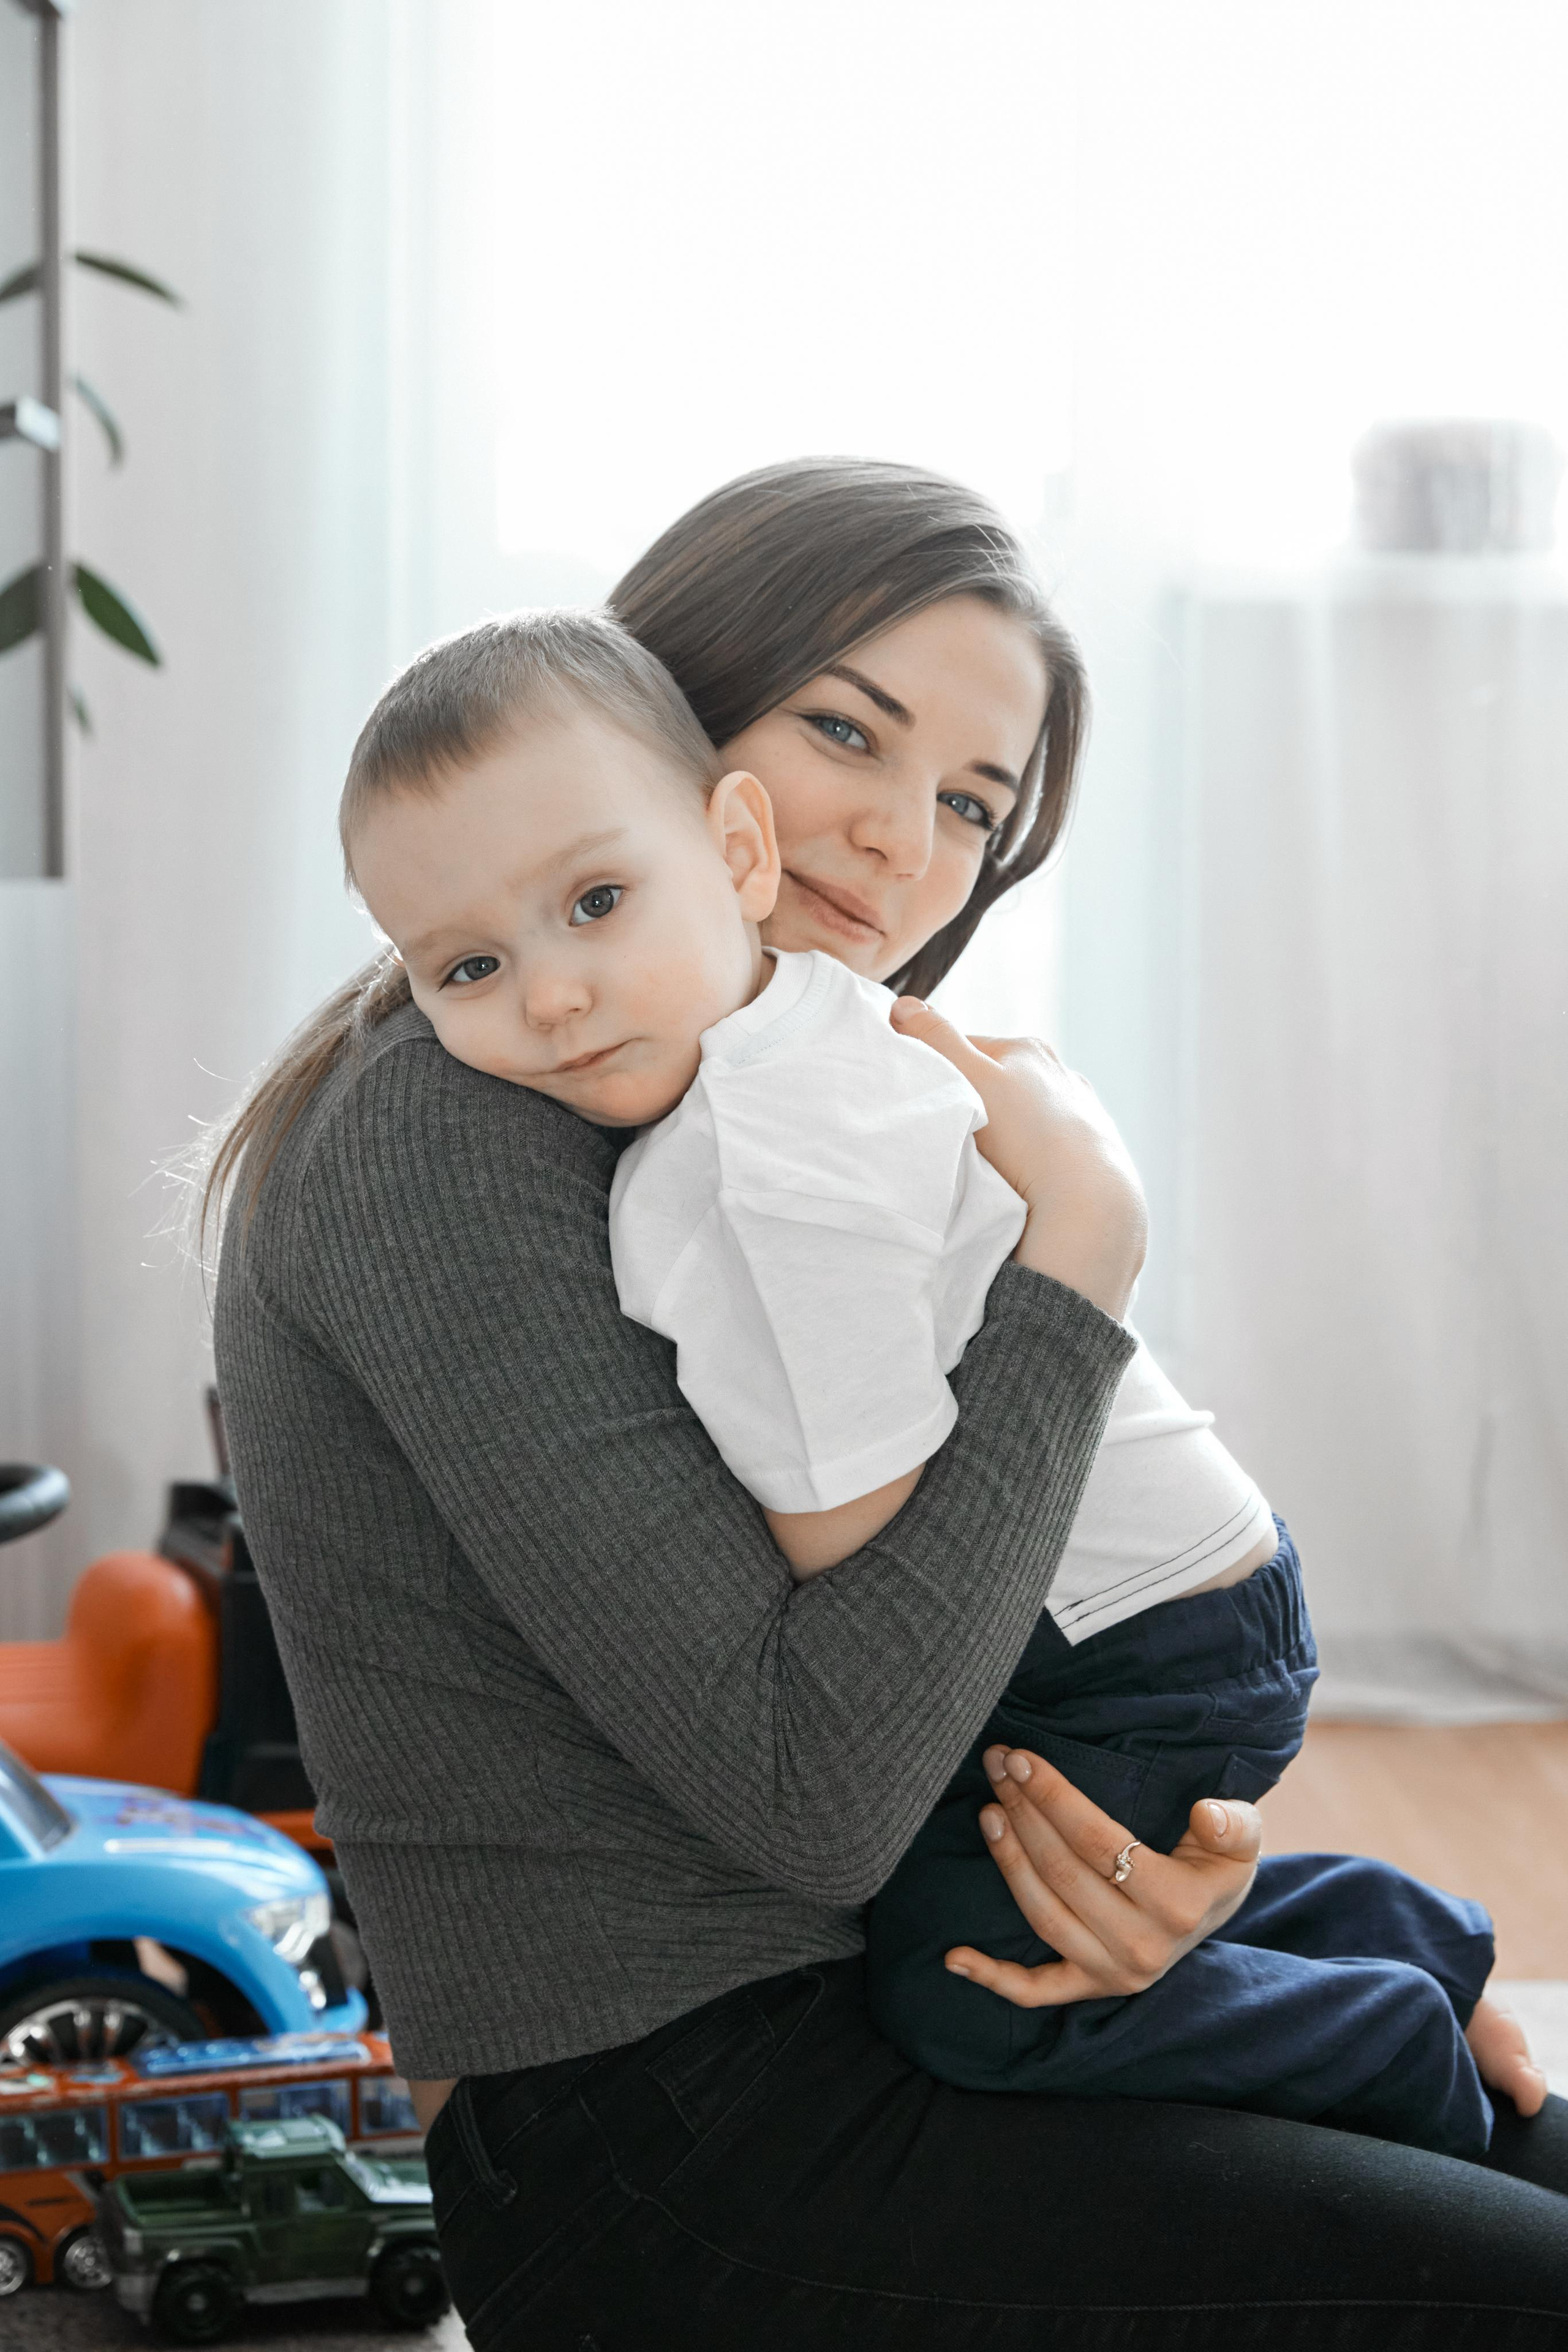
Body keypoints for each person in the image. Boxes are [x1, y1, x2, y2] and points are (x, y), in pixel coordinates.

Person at [209, 460, 1568, 2347]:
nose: (896, 844)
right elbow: (820, 1786)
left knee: (1530, 2149)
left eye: (971, 812)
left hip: (862, 2005)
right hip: (673, 2147)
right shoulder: (458, 1128)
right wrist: (1082, 1249)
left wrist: (1190, 1920)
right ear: (677, 714)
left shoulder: (720, 1099)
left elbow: (936, 1673)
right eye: (846, 729)